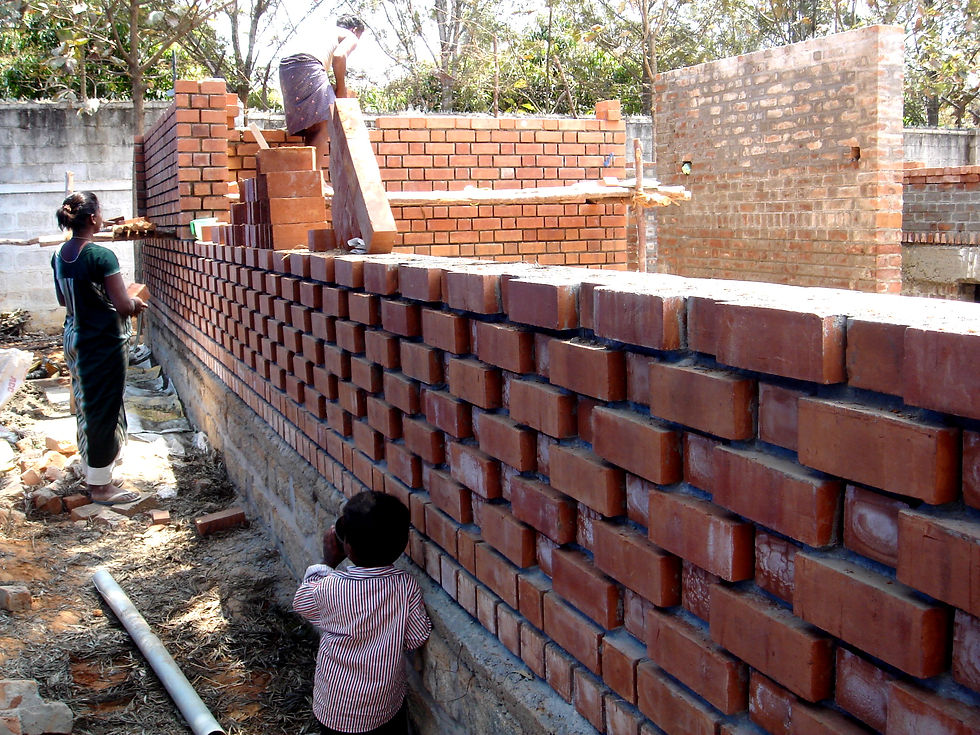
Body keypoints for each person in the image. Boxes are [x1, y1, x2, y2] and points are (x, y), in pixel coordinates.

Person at [293, 491, 431, 735]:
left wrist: (327, 563)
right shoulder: (404, 586)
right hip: (384, 707)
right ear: (402, 545)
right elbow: (417, 637)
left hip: (335, 708)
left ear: (346, 546)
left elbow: (302, 602)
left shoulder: (330, 586)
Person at [52, 191, 146, 505]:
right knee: (104, 409)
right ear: (93, 218)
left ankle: (97, 469)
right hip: (101, 342)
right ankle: (101, 487)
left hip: (74, 337)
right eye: (100, 212)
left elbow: (64, 301)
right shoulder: (100, 256)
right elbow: (121, 304)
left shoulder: (60, 254)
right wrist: (136, 302)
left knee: (87, 403)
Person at [279, 15, 365, 169]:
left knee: (313, 126)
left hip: (286, 68)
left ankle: (309, 178)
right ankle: (316, 179)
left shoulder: (323, 30)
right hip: (307, 64)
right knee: (324, 123)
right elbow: (339, 56)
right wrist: (341, 89)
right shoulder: (350, 35)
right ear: (355, 30)